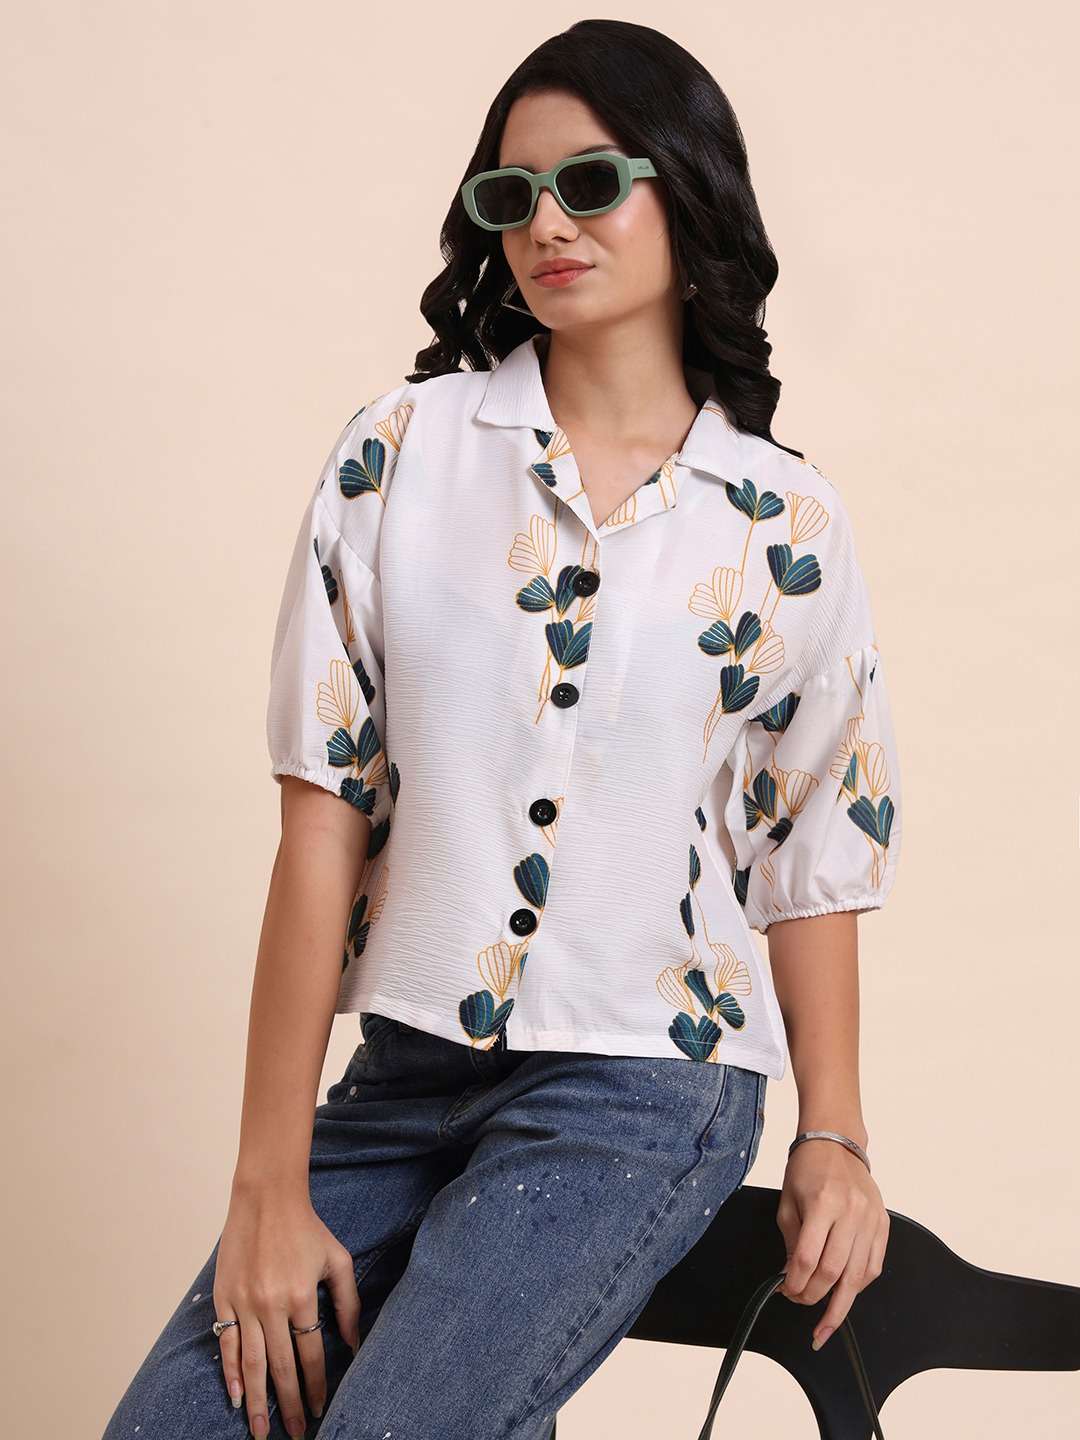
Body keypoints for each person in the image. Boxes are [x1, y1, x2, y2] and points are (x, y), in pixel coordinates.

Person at [103, 18, 902, 1440]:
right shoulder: (399, 457)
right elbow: (321, 829)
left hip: (640, 1091)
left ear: (689, 193)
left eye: (589, 183)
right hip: (403, 1075)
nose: (545, 224)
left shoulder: (784, 521)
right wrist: (266, 1185)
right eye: (510, 195)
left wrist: (831, 1130)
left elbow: (810, 844)